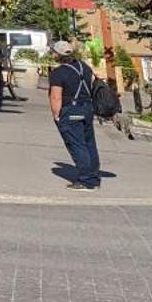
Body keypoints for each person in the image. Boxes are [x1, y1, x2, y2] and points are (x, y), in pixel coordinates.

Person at [48, 40, 102, 191]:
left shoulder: (58, 73)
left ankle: (86, 180)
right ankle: (94, 177)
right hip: (87, 108)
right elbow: (92, 83)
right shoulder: (83, 67)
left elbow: (56, 96)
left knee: (77, 145)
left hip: (70, 110)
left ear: (57, 54)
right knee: (89, 144)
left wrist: (56, 115)